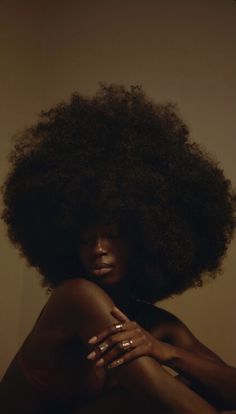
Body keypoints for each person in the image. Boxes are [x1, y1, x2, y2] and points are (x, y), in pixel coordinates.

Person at [0, 84, 236, 414]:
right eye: (85, 239)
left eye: (111, 235)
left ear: (143, 237)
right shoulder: (75, 297)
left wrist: (169, 352)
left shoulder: (156, 324)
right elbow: (174, 403)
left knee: (199, 383)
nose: (97, 249)